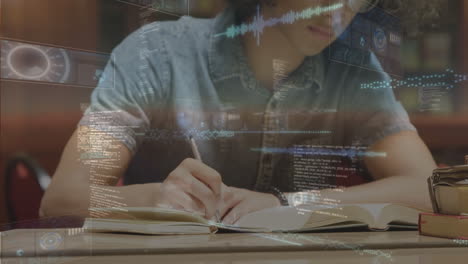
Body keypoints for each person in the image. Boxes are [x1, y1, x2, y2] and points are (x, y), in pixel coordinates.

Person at [41, 0, 440, 225]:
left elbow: (427, 187)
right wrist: (153, 198)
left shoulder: (352, 70)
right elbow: (62, 199)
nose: (337, 13)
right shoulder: (155, 55)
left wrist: (289, 203)